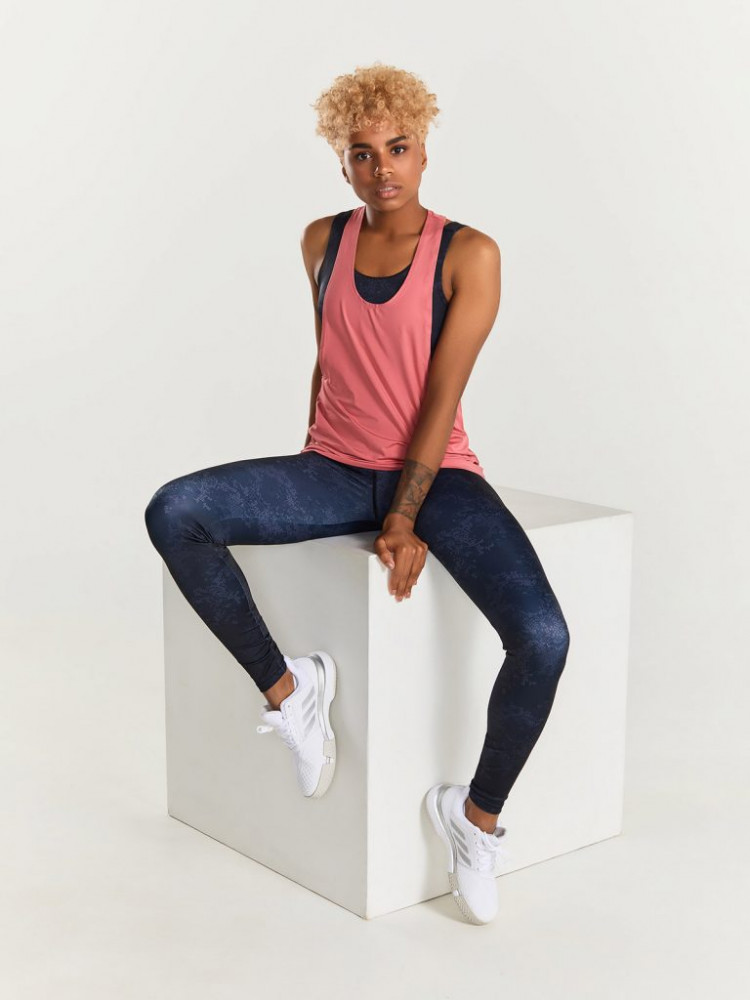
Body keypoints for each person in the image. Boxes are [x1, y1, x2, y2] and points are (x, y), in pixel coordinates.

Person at [144, 62, 570, 926]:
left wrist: (405, 514)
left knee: (544, 637)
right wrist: (309, 461)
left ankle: (475, 817)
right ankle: (290, 693)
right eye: (363, 154)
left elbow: (441, 396)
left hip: (437, 477)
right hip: (334, 467)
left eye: (399, 148)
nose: (383, 169)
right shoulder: (320, 242)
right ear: (341, 163)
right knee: (174, 512)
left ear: (425, 150)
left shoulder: (469, 254)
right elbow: (332, 357)